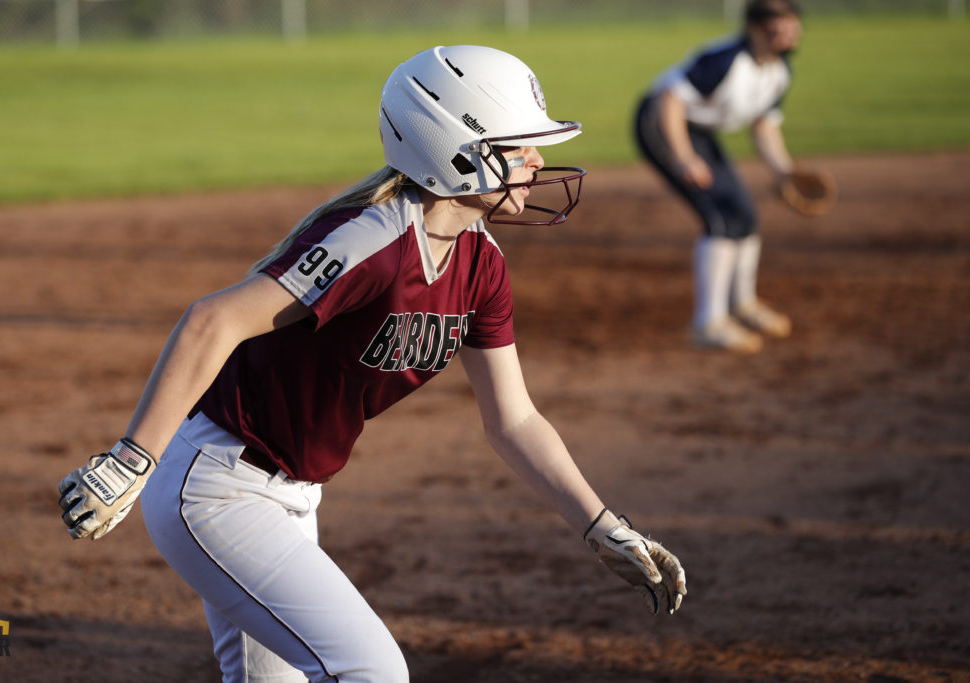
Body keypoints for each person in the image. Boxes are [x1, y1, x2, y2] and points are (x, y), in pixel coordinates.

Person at [57, 45, 687, 683]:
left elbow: (515, 421)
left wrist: (601, 526)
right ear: (459, 148)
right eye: (519, 146)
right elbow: (211, 320)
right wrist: (129, 460)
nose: (538, 161)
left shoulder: (481, 265)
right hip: (216, 488)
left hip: (292, 497)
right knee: (372, 670)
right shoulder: (376, 238)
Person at [633, 0, 804, 353]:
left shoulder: (779, 69)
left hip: (699, 132)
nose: (789, 31)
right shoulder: (727, 59)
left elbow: (764, 126)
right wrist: (685, 159)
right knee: (721, 217)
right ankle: (707, 322)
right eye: (779, 24)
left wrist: (785, 170)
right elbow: (670, 100)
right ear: (757, 28)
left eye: (792, 23)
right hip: (660, 123)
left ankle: (743, 304)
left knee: (745, 214)